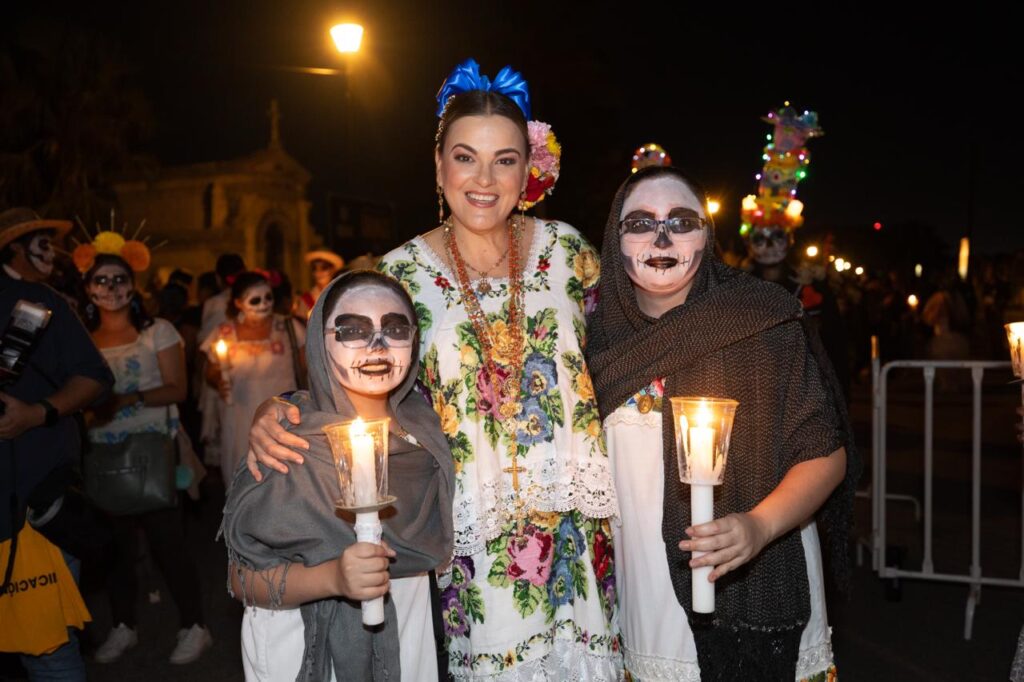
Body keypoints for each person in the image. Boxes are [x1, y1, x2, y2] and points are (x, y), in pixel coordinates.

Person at [246, 59, 622, 680]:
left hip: (581, 529)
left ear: (526, 169)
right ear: (438, 163)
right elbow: (350, 377)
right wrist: (278, 407)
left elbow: (626, 351)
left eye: (505, 159)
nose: (484, 178)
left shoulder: (569, 252)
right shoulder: (400, 275)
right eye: (465, 156)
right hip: (475, 532)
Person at [586, 166, 859, 681]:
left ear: (706, 237)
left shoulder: (759, 318)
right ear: (613, 238)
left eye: (681, 221)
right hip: (646, 597)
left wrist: (759, 526)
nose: (661, 238)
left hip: (759, 568)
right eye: (640, 223)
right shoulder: (595, 343)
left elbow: (826, 451)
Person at [221, 269, 453, 681]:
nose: (377, 345)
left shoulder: (427, 433)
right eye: (352, 330)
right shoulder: (289, 442)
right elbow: (242, 580)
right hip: (300, 648)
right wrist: (331, 577)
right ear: (318, 342)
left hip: (408, 634)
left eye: (395, 327)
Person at [77, 241, 212, 665]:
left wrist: (123, 398)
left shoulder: (158, 331)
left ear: (133, 285)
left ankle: (195, 626)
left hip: (154, 449)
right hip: (102, 454)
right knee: (115, 548)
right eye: (102, 280)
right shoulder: (80, 340)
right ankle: (123, 627)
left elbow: (178, 388)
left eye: (120, 279)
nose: (112, 287)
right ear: (88, 288)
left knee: (166, 542)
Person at [0, 238, 112, 681]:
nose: (53, 252)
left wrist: (35, 413)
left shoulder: (32, 305)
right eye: (41, 241)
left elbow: (95, 377)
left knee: (45, 648)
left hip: (28, 510)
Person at [202, 271, 305, 485]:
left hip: (284, 413)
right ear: (239, 303)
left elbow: (307, 366)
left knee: (285, 476)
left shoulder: (288, 327)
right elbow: (210, 370)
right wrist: (218, 381)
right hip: (239, 414)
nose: (264, 304)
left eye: (268, 298)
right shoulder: (224, 332)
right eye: (255, 300)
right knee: (243, 476)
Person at [0, 207, 72, 284]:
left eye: (51, 244)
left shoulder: (50, 290)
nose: (53, 254)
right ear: (16, 247)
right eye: (43, 244)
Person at [294, 249, 343, 320]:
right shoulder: (306, 300)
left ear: (333, 270)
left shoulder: (340, 296)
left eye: (324, 268)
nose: (318, 272)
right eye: (314, 268)